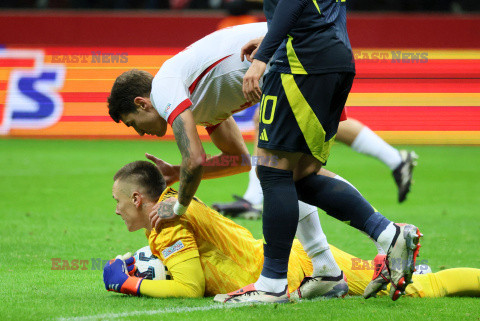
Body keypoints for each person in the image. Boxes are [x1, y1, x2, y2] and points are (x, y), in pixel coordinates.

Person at [107, 22, 420, 303]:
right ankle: (343, 261)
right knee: (294, 172)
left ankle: (296, 276)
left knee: (278, 171)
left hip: (297, 60)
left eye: (133, 123)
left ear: (142, 103)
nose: (141, 133)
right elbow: (240, 161)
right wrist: (179, 172)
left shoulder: (164, 89)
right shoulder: (200, 99)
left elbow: (195, 159)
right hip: (314, 56)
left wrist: (178, 207)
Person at [225, 0, 422, 303]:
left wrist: (263, 56)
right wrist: (270, 39)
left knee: (271, 168)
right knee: (301, 175)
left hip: (301, 63)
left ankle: (272, 285)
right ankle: (385, 237)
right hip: (334, 57)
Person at [103, 161, 480, 300]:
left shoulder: (166, 224)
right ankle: (393, 260)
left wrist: (129, 283)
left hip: (284, 275)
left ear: (137, 198)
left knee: (413, 290)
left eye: (118, 201)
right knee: (413, 285)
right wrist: (143, 266)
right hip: (294, 255)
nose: (116, 210)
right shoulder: (174, 202)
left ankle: (384, 254)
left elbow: (188, 288)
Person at [213, 116, 418, 218]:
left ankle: (255, 198)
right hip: (316, 53)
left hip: (307, 56)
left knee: (281, 117)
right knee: (271, 116)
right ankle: (396, 161)